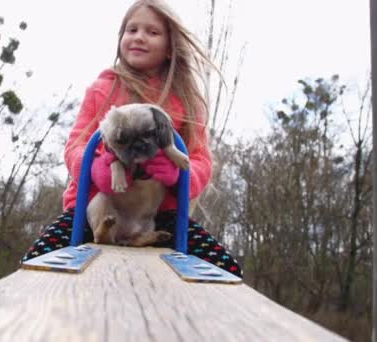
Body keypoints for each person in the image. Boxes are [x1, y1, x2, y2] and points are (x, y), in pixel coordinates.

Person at [22, 0, 242, 277]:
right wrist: (94, 168)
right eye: (132, 29)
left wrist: (178, 174)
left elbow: (201, 161)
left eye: (152, 32)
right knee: (37, 261)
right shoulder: (103, 89)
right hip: (93, 209)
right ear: (121, 39)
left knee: (225, 270)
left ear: (170, 47)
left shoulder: (187, 101)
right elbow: (75, 146)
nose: (138, 37)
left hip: (160, 214)